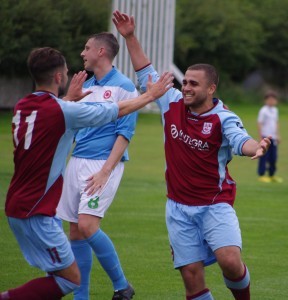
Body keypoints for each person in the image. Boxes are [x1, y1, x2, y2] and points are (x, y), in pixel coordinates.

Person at [112, 10, 271, 300]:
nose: (185, 87)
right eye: (184, 82)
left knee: (231, 262)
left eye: (193, 84)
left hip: (214, 204)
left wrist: (256, 147)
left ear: (211, 89)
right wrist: (131, 37)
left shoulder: (224, 118)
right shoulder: (170, 102)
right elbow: (145, 72)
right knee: (191, 277)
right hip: (178, 207)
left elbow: (240, 139)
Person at [1, 46, 173, 300]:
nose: (80, 56)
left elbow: (55, 116)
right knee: (69, 278)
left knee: (61, 267)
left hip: (16, 203)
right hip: (36, 208)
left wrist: (69, 99)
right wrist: (151, 95)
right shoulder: (64, 110)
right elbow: (114, 111)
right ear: (59, 77)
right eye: (66, 71)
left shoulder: (23, 106)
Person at [56, 32, 138, 300]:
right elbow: (63, 120)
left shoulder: (125, 87)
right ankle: (82, 297)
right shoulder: (86, 87)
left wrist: (105, 171)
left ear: (101, 52)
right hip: (77, 161)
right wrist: (71, 97)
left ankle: (122, 286)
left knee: (88, 225)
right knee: (76, 231)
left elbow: (124, 134)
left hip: (103, 164)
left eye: (87, 48)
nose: (82, 53)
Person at [257, 91, 282, 183]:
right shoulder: (263, 110)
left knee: (273, 157)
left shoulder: (275, 110)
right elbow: (259, 123)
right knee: (264, 156)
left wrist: (278, 135)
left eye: (273, 99)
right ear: (266, 100)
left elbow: (276, 123)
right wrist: (260, 137)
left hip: (274, 137)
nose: (271, 101)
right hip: (265, 137)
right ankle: (261, 175)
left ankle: (272, 175)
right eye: (269, 99)